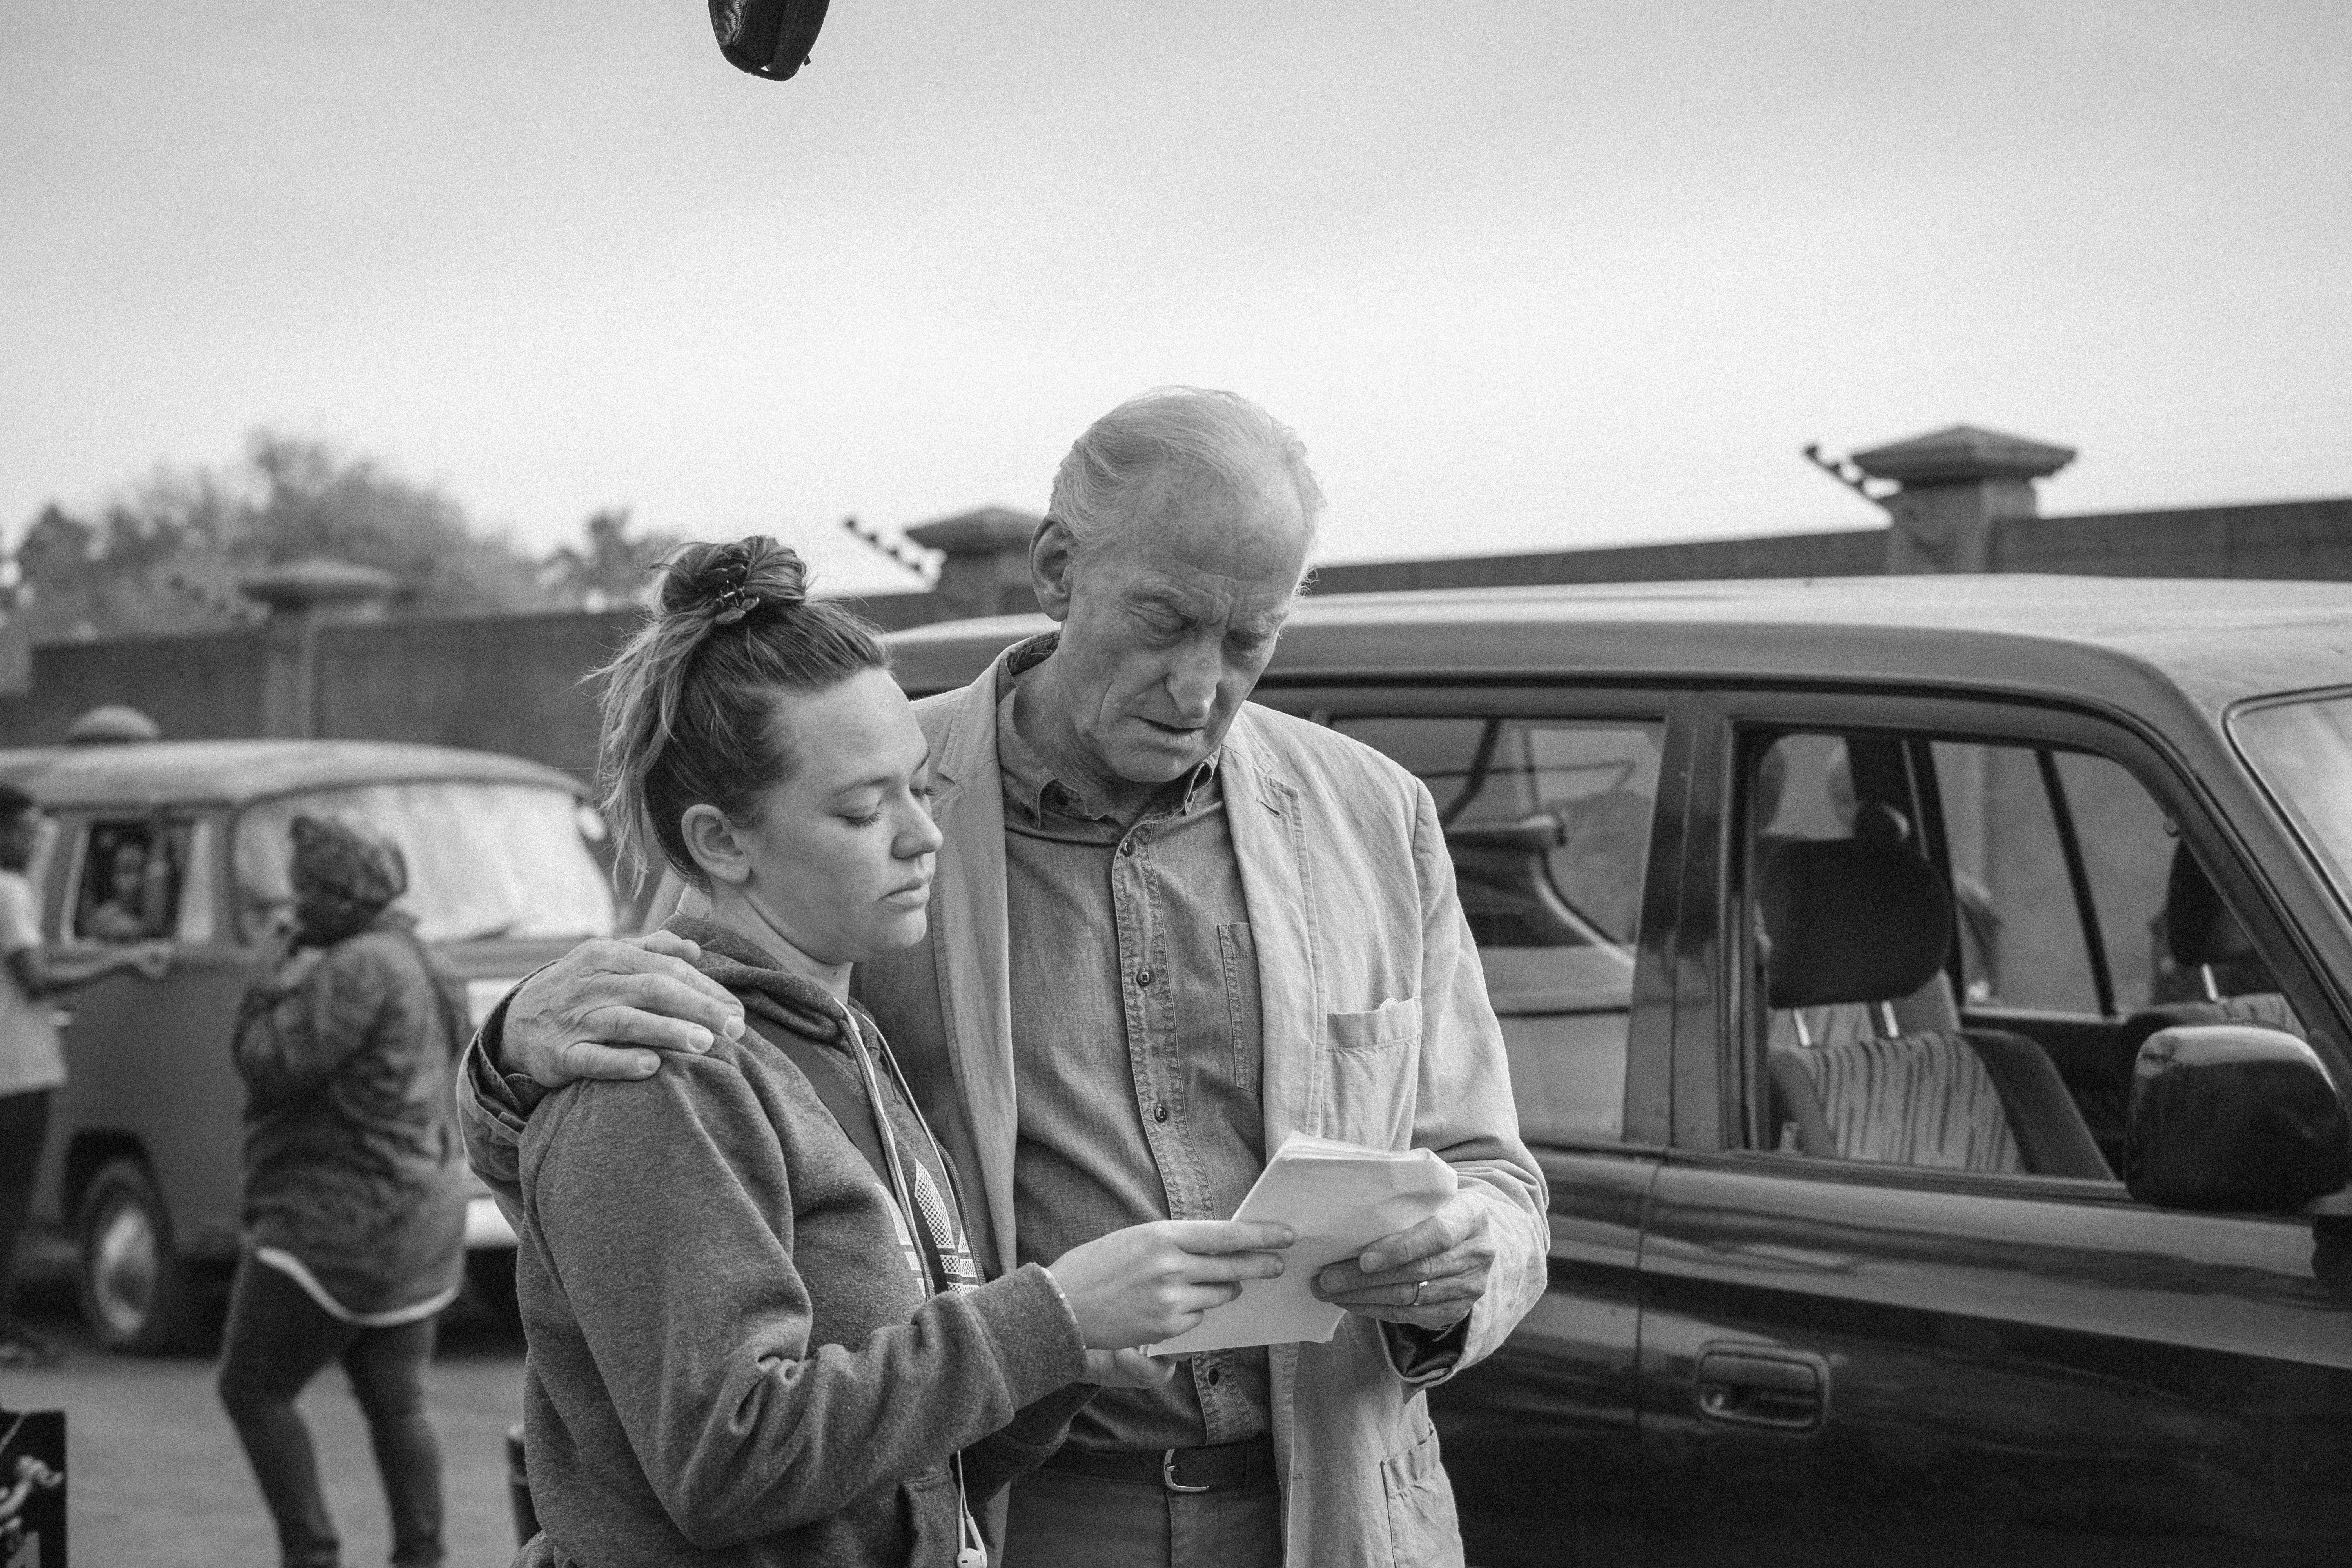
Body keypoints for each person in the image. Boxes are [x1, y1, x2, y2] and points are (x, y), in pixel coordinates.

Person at [461, 388, 1550, 1568]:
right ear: (1054, 569)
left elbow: (1497, 1173)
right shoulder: (868, 781)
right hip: (1020, 1510)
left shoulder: (1378, 818)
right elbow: (665, 1066)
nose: (1200, 688)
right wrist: (510, 1049)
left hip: (1334, 1511)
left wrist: (1464, 1266)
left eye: (1249, 641)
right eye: (1164, 621)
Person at [498, 537, 1290, 1567]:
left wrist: (1074, 1361)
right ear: (720, 842)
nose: (923, 836)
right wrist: (1047, 1317)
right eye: (865, 809)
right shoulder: (663, 1077)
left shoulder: (847, 1037)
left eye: (921, 789)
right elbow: (729, 1464)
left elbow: (904, 1462)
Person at [216, 814, 472, 1568]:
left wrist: (263, 986)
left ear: (339, 896)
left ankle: (312, 1552)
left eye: (303, 897)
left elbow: (271, 1064)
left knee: (253, 1390)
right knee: (399, 1404)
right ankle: (422, 1558)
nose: (294, 913)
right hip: (422, 1218)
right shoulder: (429, 959)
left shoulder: (357, 967)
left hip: (330, 1223)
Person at [0, 785, 170, 1367]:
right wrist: (119, 962)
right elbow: (36, 979)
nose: (33, 842)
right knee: (11, 1205)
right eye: (24, 831)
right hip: (17, 1070)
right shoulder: (8, 891)